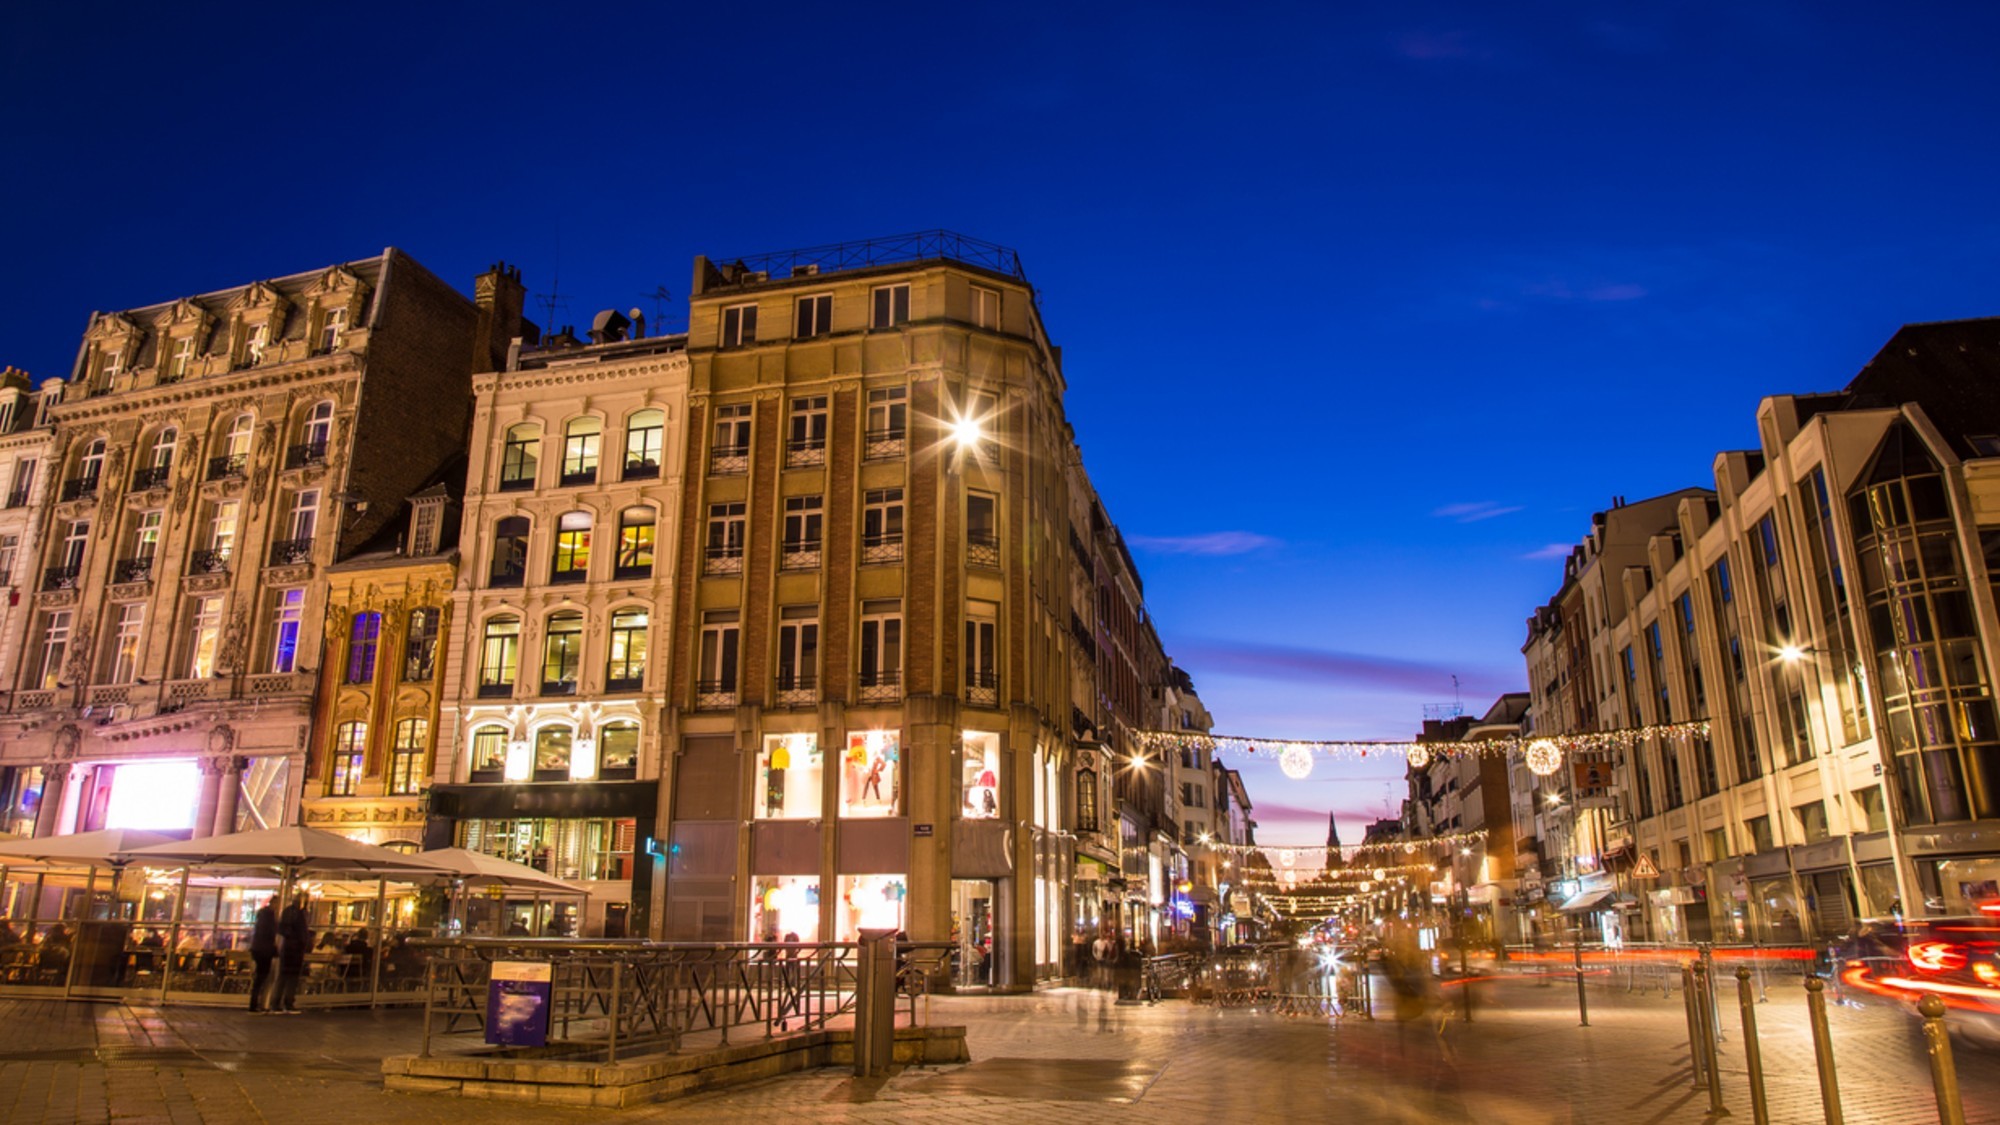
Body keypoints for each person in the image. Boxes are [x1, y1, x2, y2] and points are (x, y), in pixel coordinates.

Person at [273, 895, 310, 1014]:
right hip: (293, 949)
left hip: (291, 948)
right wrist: (298, 941)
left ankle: (280, 1002)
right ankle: (285, 1002)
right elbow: (289, 929)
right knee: (289, 977)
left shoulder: (293, 912)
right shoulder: (296, 913)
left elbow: (284, 929)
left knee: (286, 977)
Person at [249, 897, 278, 1013]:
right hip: (264, 950)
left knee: (260, 977)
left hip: (259, 949)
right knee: (261, 977)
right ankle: (256, 1004)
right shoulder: (269, 916)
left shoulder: (263, 915)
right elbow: (269, 933)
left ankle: (256, 1003)